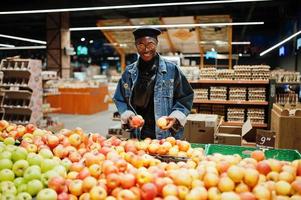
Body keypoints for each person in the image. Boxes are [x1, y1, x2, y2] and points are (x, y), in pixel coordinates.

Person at [113, 27, 194, 140]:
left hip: (166, 134)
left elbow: (185, 96)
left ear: (156, 43)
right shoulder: (129, 73)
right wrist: (128, 116)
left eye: (150, 44)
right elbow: (120, 98)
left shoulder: (172, 70)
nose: (146, 49)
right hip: (139, 132)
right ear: (136, 46)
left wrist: (175, 117)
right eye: (140, 45)